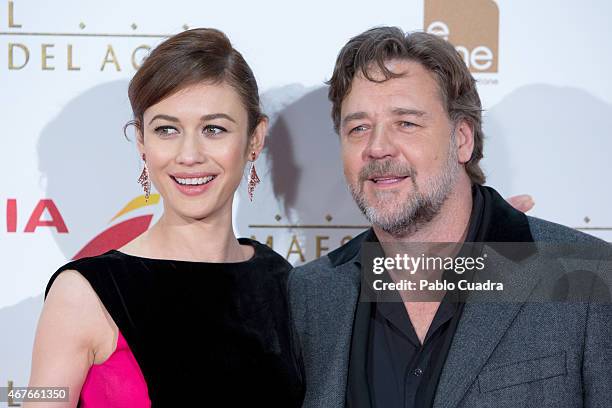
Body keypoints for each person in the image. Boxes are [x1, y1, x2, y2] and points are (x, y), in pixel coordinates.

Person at [288, 27, 612, 408]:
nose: (377, 147)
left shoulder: (590, 281)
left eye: (406, 122)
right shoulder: (313, 292)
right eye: (358, 128)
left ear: (462, 139)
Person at [27, 28, 304, 407]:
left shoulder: (284, 284)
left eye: (213, 128)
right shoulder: (83, 294)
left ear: (255, 139)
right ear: (142, 142)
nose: (189, 154)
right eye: (167, 129)